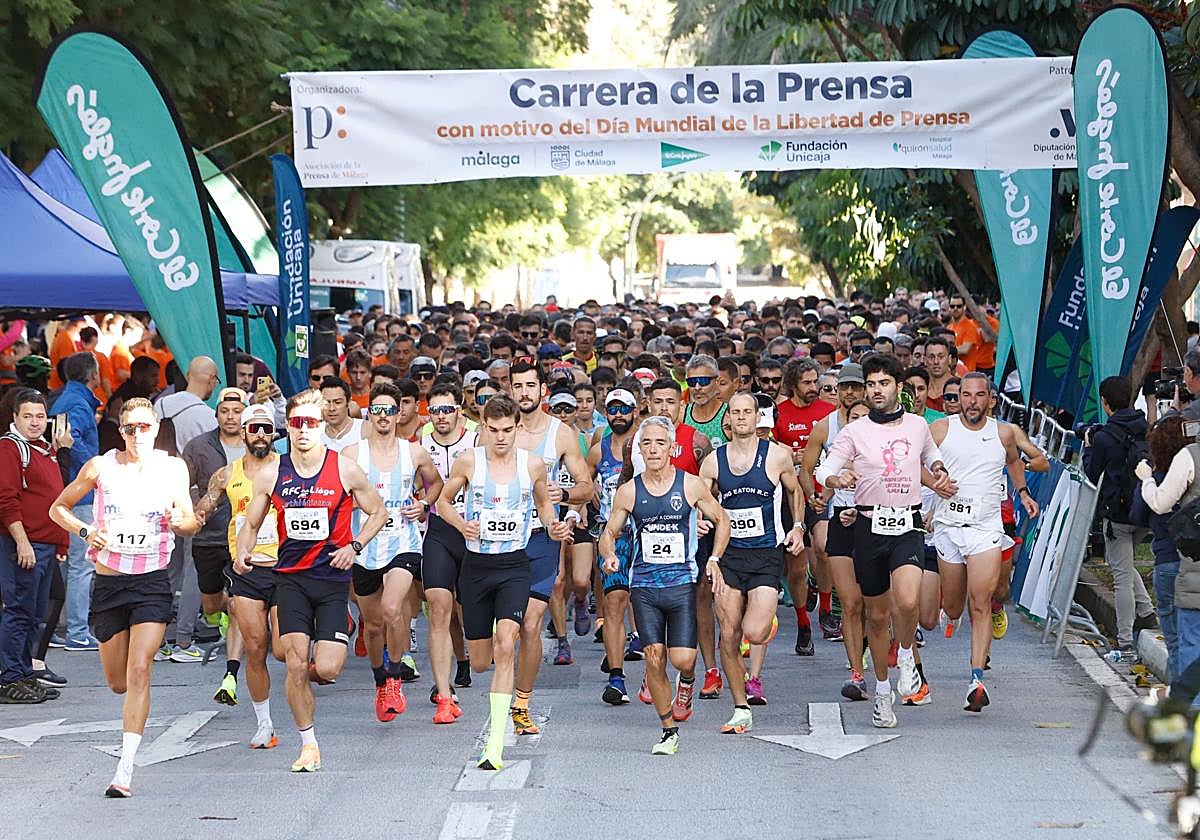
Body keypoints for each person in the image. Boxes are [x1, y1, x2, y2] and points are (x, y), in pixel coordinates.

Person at [49, 397, 201, 796]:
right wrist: (86, 532)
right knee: (118, 682)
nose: (137, 435)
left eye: (144, 427)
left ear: (155, 428)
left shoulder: (172, 468)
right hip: (110, 583)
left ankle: (125, 769)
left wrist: (178, 519)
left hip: (151, 581)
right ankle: (127, 745)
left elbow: (189, 523)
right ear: (121, 431)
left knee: (139, 670)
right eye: (130, 428)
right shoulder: (101, 467)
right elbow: (58, 509)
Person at [236, 388, 388, 773]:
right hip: (290, 581)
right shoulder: (273, 473)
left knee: (329, 668)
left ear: (323, 426)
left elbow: (378, 512)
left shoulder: (344, 468)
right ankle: (308, 744)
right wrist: (243, 551)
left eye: (311, 423)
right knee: (295, 663)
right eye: (297, 423)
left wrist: (355, 546)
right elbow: (250, 523)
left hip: (332, 581)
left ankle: (337, 635)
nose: (304, 430)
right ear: (287, 426)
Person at [815, 353, 954, 729]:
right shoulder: (855, 432)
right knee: (876, 617)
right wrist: (833, 479)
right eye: (871, 384)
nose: (876, 391)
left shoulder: (916, 427)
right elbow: (825, 466)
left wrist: (939, 472)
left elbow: (932, 457)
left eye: (883, 383)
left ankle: (906, 655)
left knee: (907, 600)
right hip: (868, 527)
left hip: (907, 523)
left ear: (897, 387)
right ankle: (880, 690)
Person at [436, 394, 569, 770]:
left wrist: (553, 523)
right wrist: (462, 524)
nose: (500, 437)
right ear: (483, 428)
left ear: (518, 428)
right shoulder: (469, 462)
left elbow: (544, 504)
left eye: (507, 430)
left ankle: (494, 744)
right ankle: (495, 677)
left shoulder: (533, 465)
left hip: (514, 565)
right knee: (480, 661)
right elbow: (443, 503)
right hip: (476, 568)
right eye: (493, 430)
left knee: (507, 642)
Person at [599, 416, 730, 755]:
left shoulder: (690, 485)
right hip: (644, 585)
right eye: (647, 444)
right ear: (639, 450)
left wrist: (714, 559)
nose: (654, 449)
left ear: (672, 448)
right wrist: (610, 554)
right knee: (654, 657)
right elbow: (609, 531)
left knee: (684, 658)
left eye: (660, 443)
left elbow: (722, 519)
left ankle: (686, 682)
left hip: (681, 582)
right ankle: (668, 729)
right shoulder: (629, 491)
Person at [929, 373, 1038, 712]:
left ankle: (976, 679)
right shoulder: (940, 430)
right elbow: (914, 464)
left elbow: (1025, 458)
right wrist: (934, 489)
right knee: (953, 607)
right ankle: (953, 614)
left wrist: (1024, 488)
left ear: (991, 400)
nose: (972, 401)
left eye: (979, 395)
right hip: (948, 526)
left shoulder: (1005, 432)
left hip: (986, 528)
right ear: (957, 398)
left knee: (981, 601)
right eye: (965, 395)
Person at [702, 394, 804, 730]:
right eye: (736, 413)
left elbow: (795, 491)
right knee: (728, 636)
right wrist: (702, 519)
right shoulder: (714, 462)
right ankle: (740, 707)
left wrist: (798, 527)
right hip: (729, 555)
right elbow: (701, 501)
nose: (743, 418)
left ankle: (765, 618)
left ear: (757, 416)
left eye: (749, 412)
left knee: (754, 631)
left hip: (766, 554)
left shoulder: (777, 455)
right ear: (727, 420)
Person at [344, 383, 444, 723]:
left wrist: (424, 505)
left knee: (392, 609)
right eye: (378, 410)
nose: (385, 416)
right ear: (369, 413)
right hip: (366, 546)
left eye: (390, 410)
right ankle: (379, 680)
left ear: (399, 414)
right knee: (372, 625)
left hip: (403, 541)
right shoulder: (352, 454)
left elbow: (437, 483)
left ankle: (396, 676)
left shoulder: (413, 452)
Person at [510, 360, 593, 733]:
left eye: (531, 386)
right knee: (499, 634)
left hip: (541, 539)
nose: (524, 393)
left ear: (542, 390)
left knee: (529, 624)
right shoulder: (496, 431)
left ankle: (521, 704)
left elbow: (587, 486)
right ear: (510, 390)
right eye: (518, 386)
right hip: (501, 542)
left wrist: (566, 493)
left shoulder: (560, 434)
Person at [195, 403, 283, 748]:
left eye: (266, 428)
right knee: (256, 646)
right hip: (246, 569)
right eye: (254, 428)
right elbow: (205, 507)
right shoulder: (226, 474)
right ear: (243, 432)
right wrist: (188, 516)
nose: (260, 435)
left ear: (274, 432)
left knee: (281, 650)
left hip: (284, 566)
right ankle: (264, 724)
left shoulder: (285, 470)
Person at [0, 389, 69, 702]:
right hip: (23, 545)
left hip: (45, 544)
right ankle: (9, 678)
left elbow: (54, 498)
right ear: (15, 417)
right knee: (18, 611)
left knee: (35, 612)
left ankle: (25, 674)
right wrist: (22, 542)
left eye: (40, 416)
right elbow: (7, 499)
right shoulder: (10, 448)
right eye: (27, 416)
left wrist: (60, 541)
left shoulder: (43, 448)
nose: (34, 422)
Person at [1082, 375, 1157, 660]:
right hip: (1144, 508)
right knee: (1123, 564)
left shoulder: (1104, 437)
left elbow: (1092, 472)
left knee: (1122, 574)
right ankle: (1148, 613)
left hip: (1117, 514)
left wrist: (1089, 446)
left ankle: (1124, 640)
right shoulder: (1144, 426)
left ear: (1104, 402)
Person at [183, 387, 249, 692]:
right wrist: (195, 510)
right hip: (209, 536)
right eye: (225, 411)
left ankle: (232, 669)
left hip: (245, 538)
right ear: (217, 413)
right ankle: (226, 613)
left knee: (237, 603)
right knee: (211, 605)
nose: (231, 417)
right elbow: (185, 484)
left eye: (237, 411)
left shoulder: (256, 444)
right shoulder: (199, 446)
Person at [421, 382, 479, 713]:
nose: (442, 416)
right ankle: (444, 691)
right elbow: (415, 484)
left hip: (472, 533)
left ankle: (468, 659)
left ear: (459, 411)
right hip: (439, 532)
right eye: (436, 410)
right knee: (439, 607)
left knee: (468, 613)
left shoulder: (475, 441)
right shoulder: (420, 446)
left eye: (447, 409)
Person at [774, 357, 835, 656]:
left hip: (820, 492)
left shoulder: (828, 412)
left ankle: (825, 609)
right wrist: (789, 457)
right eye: (807, 383)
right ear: (792, 385)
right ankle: (803, 623)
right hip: (788, 498)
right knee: (796, 567)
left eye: (816, 382)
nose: (814, 388)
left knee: (823, 547)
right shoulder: (779, 414)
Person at [588, 387, 640, 705]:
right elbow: (580, 479)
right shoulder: (599, 449)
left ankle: (650, 670)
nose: (618, 414)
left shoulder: (646, 445)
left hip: (647, 533)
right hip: (614, 535)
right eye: (612, 409)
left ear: (635, 410)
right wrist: (591, 500)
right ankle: (617, 678)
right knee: (615, 602)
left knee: (646, 604)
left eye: (624, 408)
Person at [49, 351, 101, 652]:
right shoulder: (78, 403)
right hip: (80, 492)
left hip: (70, 490)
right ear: (92, 375)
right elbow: (71, 442)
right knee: (82, 565)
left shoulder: (68, 400)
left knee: (74, 565)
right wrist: (93, 472)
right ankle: (78, 632)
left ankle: (67, 627)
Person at [682, 355, 728, 448]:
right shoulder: (681, 415)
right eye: (692, 382)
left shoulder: (729, 415)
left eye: (703, 381)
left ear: (717, 381)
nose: (697, 387)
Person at [319, 376, 363, 453]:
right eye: (326, 403)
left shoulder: (364, 430)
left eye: (337, 402)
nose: (331, 408)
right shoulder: (314, 433)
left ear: (348, 402)